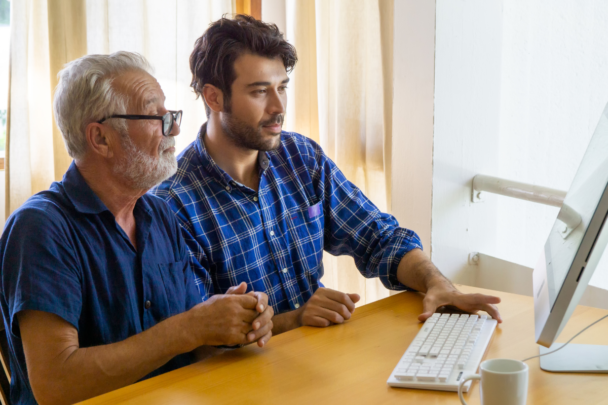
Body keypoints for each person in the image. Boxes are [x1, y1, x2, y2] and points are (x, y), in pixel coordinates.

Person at [154, 15, 502, 336]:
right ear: (214, 97)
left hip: (315, 362)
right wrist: (297, 317)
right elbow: (196, 335)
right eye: (260, 91)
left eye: (282, 87)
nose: (278, 107)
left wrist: (438, 284)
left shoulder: (301, 157)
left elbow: (378, 237)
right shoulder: (172, 204)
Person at [0, 51, 273, 405]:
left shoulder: (159, 214)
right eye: (154, 116)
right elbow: (56, 383)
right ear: (100, 139)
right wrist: (190, 328)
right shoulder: (41, 228)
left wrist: (232, 322)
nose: (174, 129)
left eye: (170, 114)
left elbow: (192, 345)